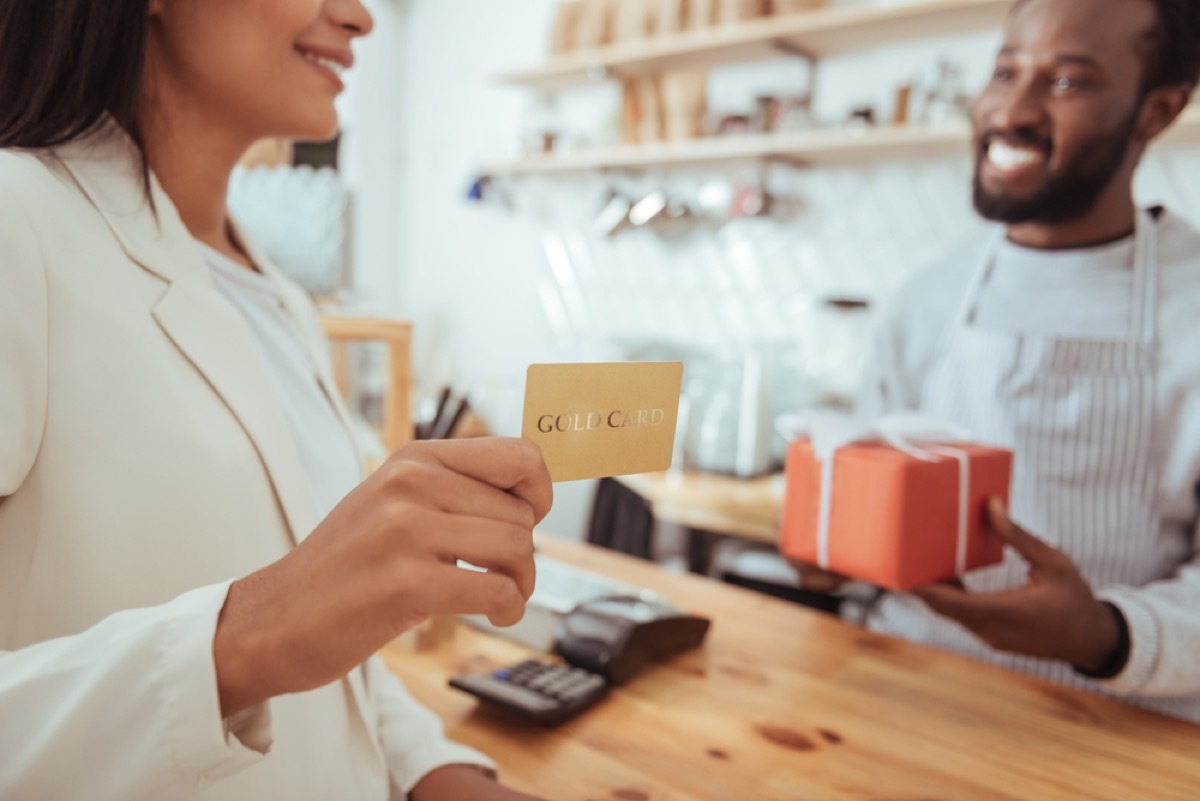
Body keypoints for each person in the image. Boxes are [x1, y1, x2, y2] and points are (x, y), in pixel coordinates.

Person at [0, 1, 555, 798]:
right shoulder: (16, 222)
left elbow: (329, 654)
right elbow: (284, 626)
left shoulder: (282, 302)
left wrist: (437, 771)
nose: (359, 16)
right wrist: (245, 639)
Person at [794, 0, 1200, 723]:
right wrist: (836, 549)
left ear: (1158, 110)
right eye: (1005, 71)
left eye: (1068, 82)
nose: (1012, 110)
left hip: (1111, 732)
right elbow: (873, 487)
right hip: (900, 697)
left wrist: (1104, 634)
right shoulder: (928, 298)